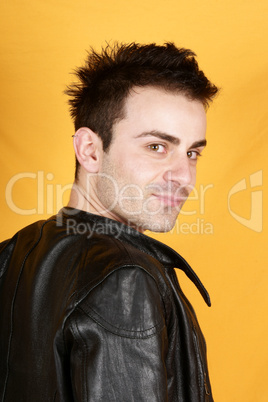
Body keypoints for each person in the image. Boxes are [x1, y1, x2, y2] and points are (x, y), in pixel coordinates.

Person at [0, 42, 218, 401]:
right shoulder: (125, 279)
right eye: (156, 147)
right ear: (89, 150)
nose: (184, 176)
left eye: (192, 152)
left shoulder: (16, 252)